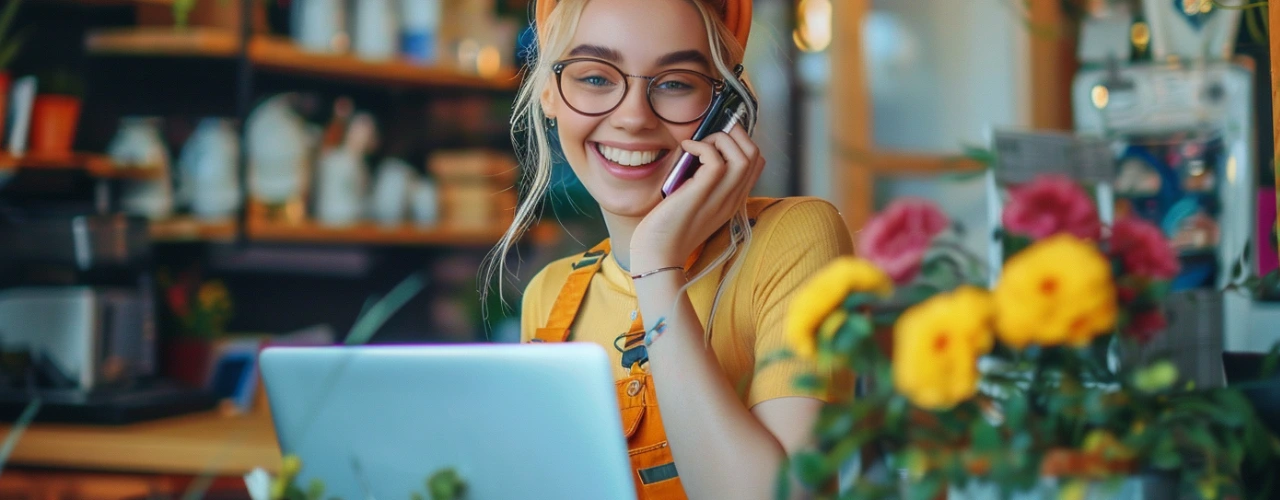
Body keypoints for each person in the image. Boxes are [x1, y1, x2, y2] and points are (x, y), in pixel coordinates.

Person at [482, 0, 854, 498]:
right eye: (595, 78)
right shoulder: (549, 296)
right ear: (549, 92)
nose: (633, 118)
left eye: (676, 82)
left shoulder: (797, 238)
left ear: (725, 109)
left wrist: (657, 263)